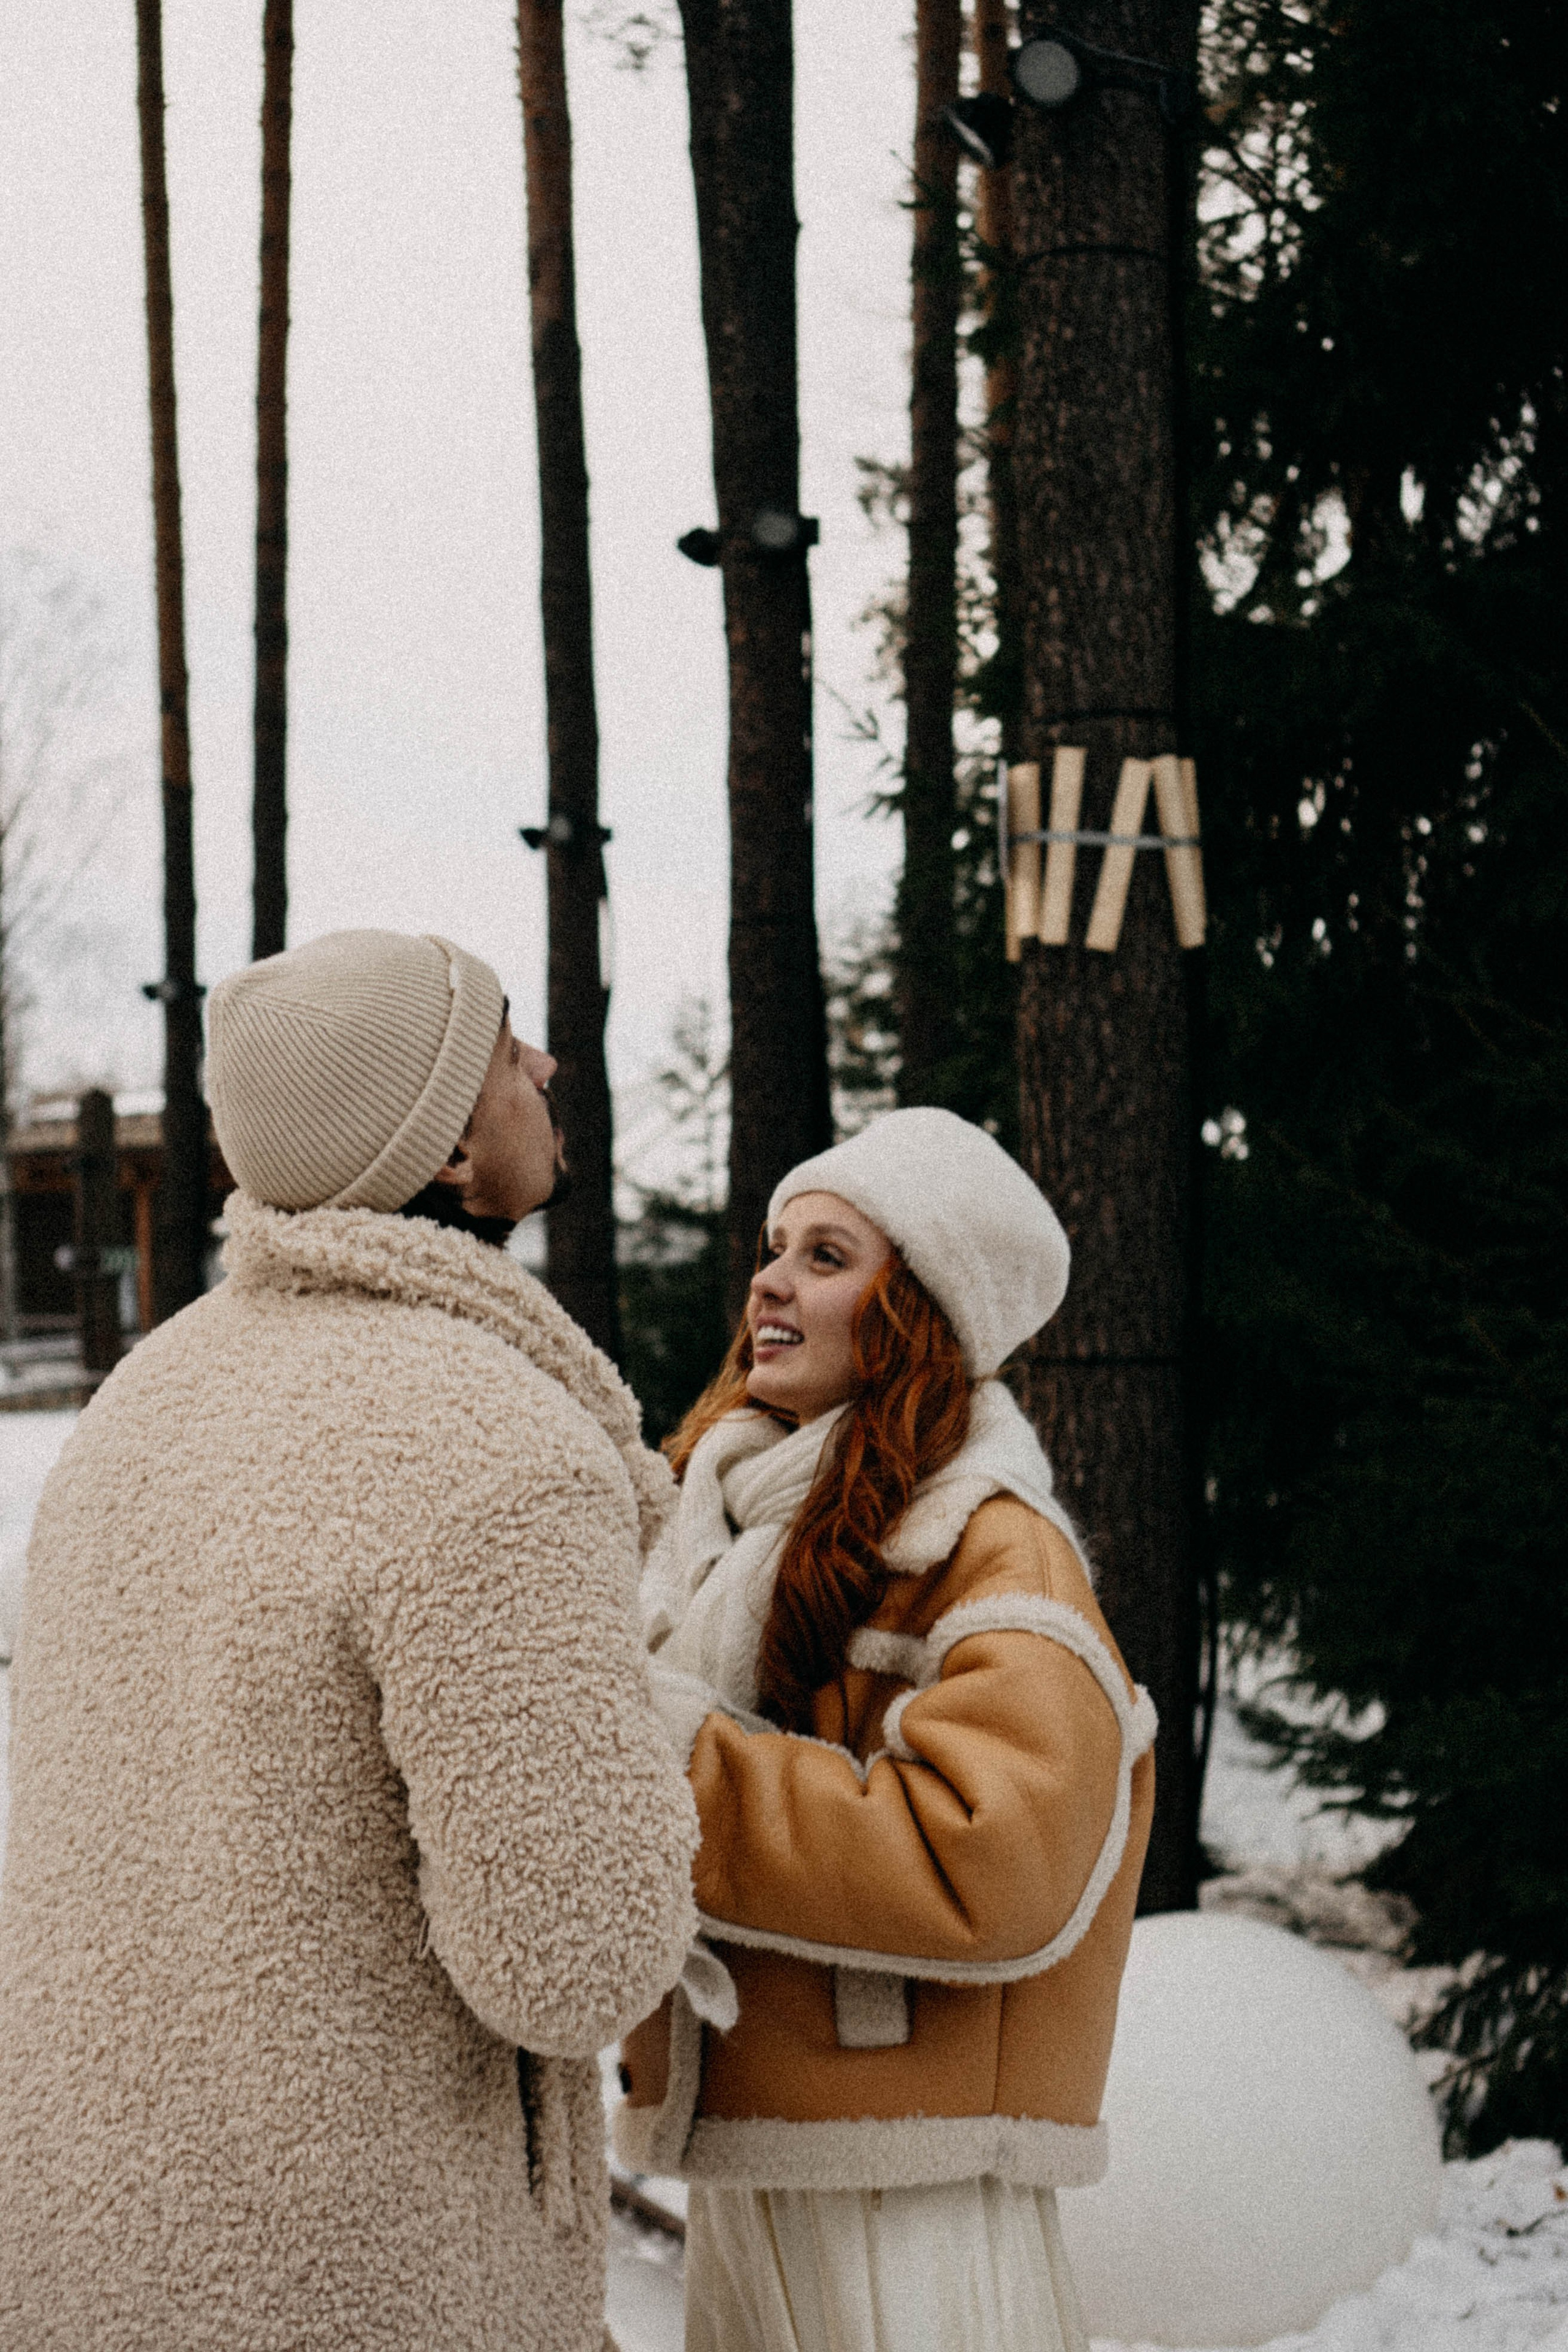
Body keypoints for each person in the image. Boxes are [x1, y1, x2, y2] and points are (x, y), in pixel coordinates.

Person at [0, 928, 698, 2352]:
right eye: (509, 1049)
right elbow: (575, 1956)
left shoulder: (139, 1411)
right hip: (363, 2272)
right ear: (446, 1148)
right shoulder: (492, 1450)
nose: (548, 1066)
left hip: (94, 2243)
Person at [617, 1107, 1157, 2352]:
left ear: (917, 1308)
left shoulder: (989, 1545)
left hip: (909, 2191)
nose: (767, 1277)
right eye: (772, 1245)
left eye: (824, 1254)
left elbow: (991, 1858)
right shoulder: (730, 1524)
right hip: (759, 2157)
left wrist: (672, 1756)